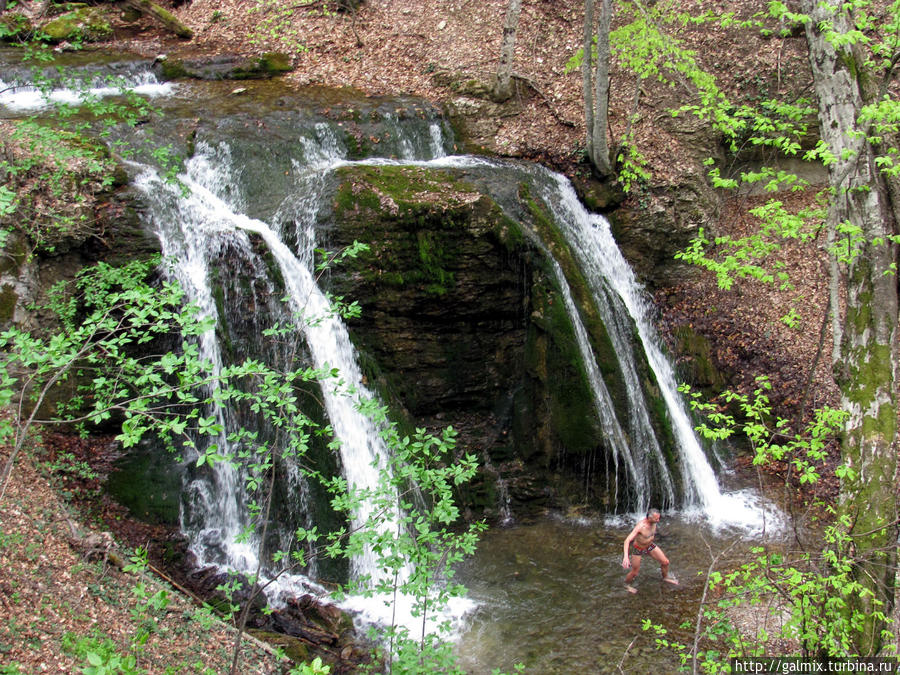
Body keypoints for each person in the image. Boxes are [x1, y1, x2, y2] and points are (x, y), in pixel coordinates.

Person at [621, 508, 678, 593]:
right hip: (638, 549)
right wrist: (626, 557)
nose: (658, 520)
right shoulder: (641, 526)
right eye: (656, 519)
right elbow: (627, 540)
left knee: (665, 562)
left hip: (650, 546)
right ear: (649, 518)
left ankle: (665, 577)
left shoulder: (654, 522)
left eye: (659, 518)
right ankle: (626, 585)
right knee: (635, 572)